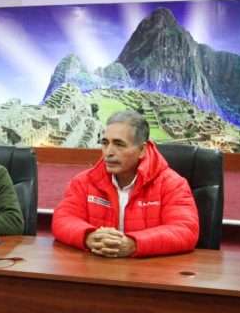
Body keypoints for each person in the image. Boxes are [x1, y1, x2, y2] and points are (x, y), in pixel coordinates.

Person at [52, 110, 199, 258]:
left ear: (142, 150)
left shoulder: (173, 184)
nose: (108, 152)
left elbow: (185, 230)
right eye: (105, 143)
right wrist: (89, 237)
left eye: (119, 144)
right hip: (96, 267)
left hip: (148, 270)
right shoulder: (84, 181)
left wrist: (133, 244)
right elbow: (62, 220)